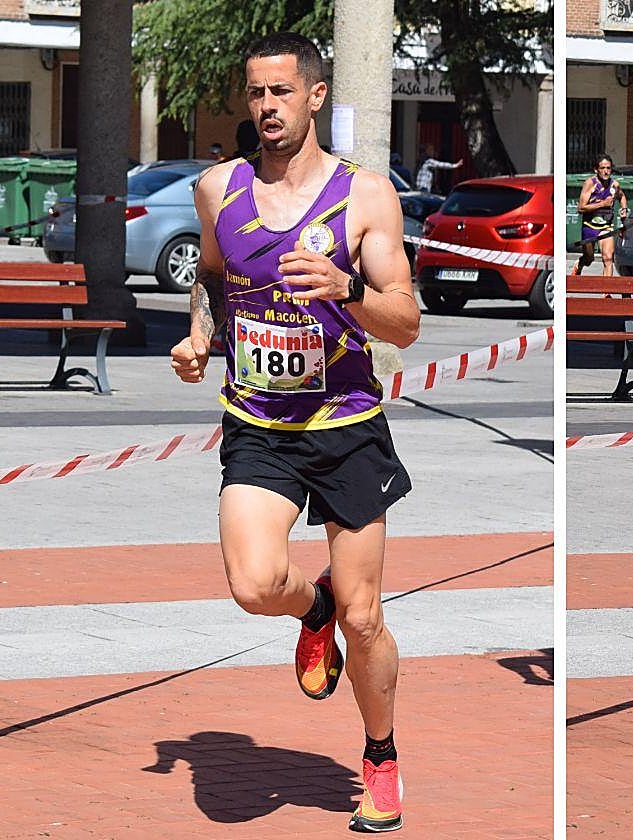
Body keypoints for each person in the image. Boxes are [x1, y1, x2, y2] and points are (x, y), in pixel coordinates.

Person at [169, 32, 420, 832]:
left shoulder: (365, 197)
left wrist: (346, 288)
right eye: (256, 93)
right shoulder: (218, 189)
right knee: (253, 586)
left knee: (365, 617)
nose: (267, 107)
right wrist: (199, 335)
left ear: (315, 95)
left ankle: (380, 757)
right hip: (259, 423)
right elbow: (213, 276)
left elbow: (406, 321)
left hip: (347, 426)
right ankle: (310, 609)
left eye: (281, 92)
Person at [574, 154, 628, 276]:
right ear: (596, 170)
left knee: (608, 258)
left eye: (608, 168)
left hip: (606, 226)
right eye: (602, 168)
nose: (606, 171)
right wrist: (602, 204)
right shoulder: (590, 183)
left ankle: (607, 288)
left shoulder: (614, 185)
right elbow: (581, 208)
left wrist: (624, 209)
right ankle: (580, 263)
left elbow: (622, 196)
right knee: (589, 259)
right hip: (589, 226)